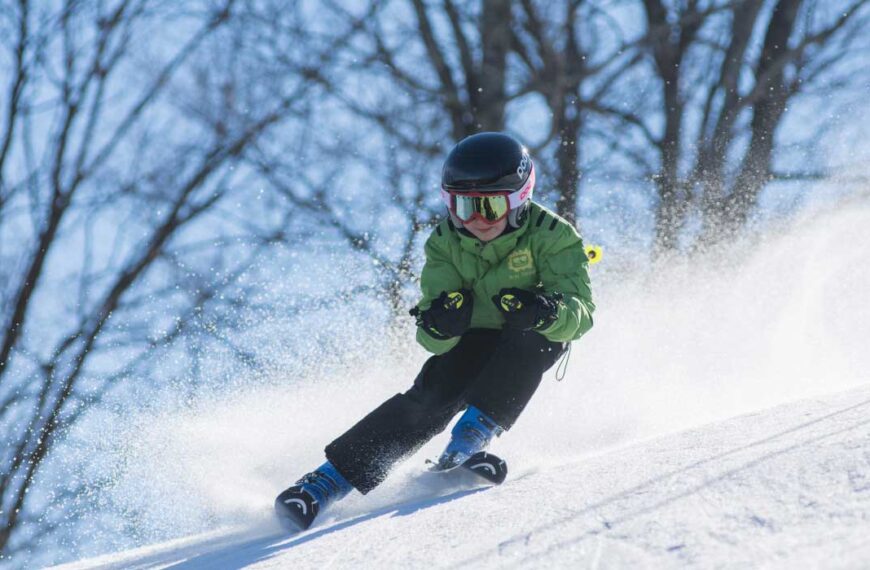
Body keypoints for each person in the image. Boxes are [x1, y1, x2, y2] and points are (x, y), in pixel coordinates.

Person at [275, 132, 595, 531]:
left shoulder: (553, 235)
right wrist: (441, 323)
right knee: (433, 395)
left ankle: (469, 440)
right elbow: (431, 337)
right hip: (473, 337)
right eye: (462, 207)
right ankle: (325, 483)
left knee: (536, 340)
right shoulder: (445, 242)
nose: (476, 220)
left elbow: (581, 314)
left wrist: (546, 311)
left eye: (490, 206)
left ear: (518, 201)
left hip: (528, 333)